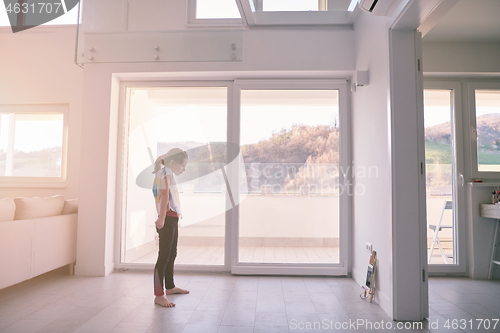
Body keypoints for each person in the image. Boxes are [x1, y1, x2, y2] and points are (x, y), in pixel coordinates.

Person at [151, 148, 189, 307]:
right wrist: (161, 218)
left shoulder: (165, 172)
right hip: (166, 219)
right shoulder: (165, 172)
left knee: (171, 253)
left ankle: (170, 287)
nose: (184, 169)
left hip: (171, 218)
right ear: (173, 162)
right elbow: (164, 194)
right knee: (164, 256)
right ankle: (158, 295)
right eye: (182, 165)